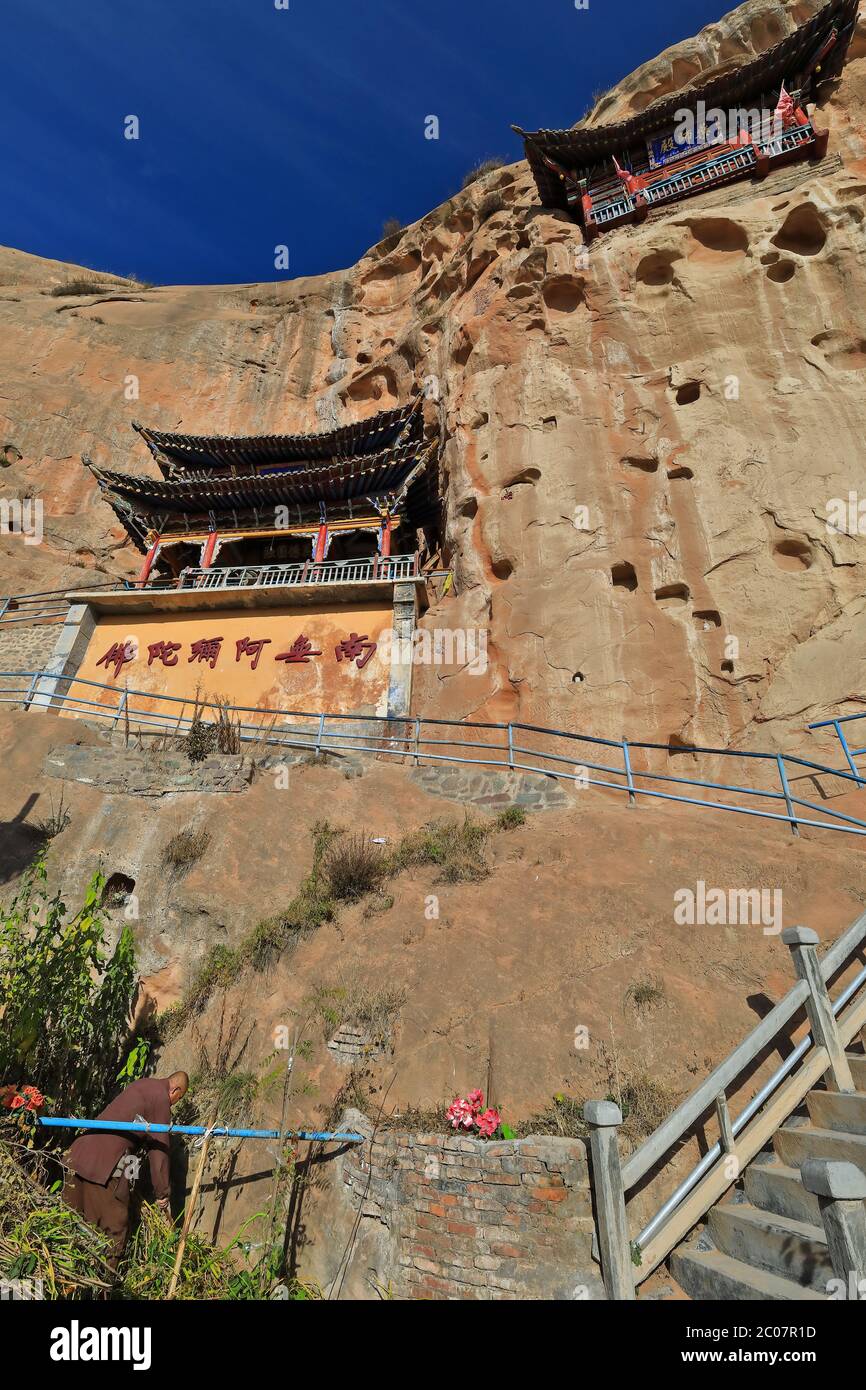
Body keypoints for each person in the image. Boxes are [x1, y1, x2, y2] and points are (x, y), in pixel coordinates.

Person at [64, 1072, 189, 1269]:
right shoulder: (161, 1099)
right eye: (177, 1099)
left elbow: (132, 1142)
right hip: (106, 1162)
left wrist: (132, 1180)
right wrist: (162, 1193)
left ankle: (66, 1273)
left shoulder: (143, 1084)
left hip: (78, 1153)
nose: (173, 1104)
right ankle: (105, 1284)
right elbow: (159, 1151)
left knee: (68, 1218)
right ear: (175, 1090)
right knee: (116, 1228)